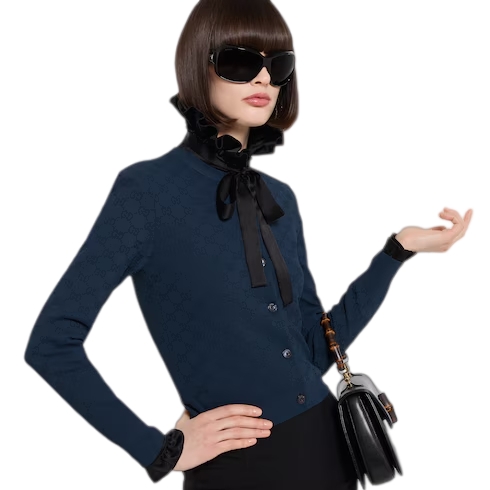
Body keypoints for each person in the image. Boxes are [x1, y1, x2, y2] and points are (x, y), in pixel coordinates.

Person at [24, 1, 473, 489]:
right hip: (235, 472)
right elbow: (51, 343)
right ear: (199, 66)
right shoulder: (145, 193)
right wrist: (157, 449)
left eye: (277, 65)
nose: (263, 79)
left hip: (328, 454)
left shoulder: (280, 199)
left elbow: (314, 350)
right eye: (240, 61)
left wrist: (397, 252)